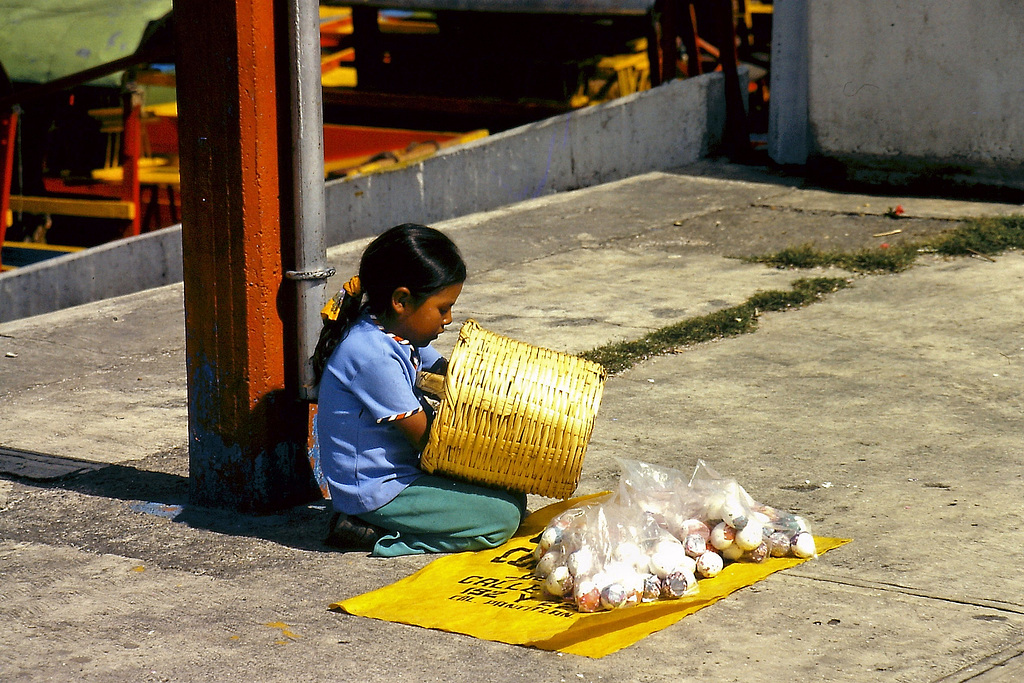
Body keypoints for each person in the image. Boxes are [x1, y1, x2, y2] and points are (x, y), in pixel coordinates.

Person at [313, 223, 527, 556]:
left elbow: (447, 373)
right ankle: (372, 533)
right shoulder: (372, 356)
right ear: (401, 300)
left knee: (514, 496)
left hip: (403, 474)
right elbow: (429, 441)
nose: (449, 319)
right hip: (378, 491)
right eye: (442, 308)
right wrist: (491, 452)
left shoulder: (394, 329)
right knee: (503, 517)